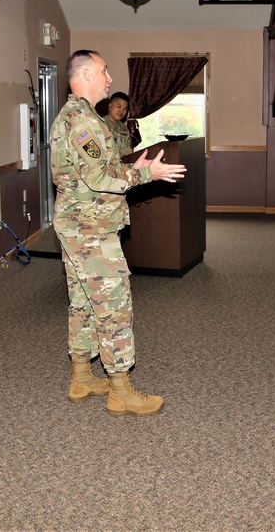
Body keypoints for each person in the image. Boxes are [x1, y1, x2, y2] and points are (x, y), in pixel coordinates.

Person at [51, 50, 186, 416]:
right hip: (90, 230)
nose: (109, 79)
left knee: (82, 303)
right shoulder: (82, 122)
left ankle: (81, 377)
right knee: (114, 309)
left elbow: (93, 169)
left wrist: (133, 165)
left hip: (78, 225)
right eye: (104, 71)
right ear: (85, 74)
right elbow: (97, 179)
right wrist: (147, 175)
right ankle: (120, 390)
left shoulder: (78, 117)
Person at [103, 91, 133, 156]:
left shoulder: (124, 130)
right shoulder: (99, 124)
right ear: (110, 106)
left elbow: (128, 153)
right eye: (119, 106)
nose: (121, 111)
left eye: (125, 109)